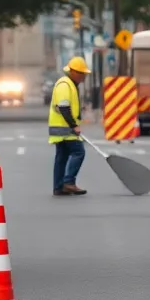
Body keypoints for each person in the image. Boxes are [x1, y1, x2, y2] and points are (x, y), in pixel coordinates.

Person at [49, 56, 90, 197]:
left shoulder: (69, 84)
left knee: (62, 156)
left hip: (62, 128)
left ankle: (59, 187)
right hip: (65, 129)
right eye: (82, 74)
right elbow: (64, 107)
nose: (84, 77)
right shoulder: (65, 85)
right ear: (74, 73)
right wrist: (74, 125)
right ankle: (69, 182)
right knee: (79, 152)